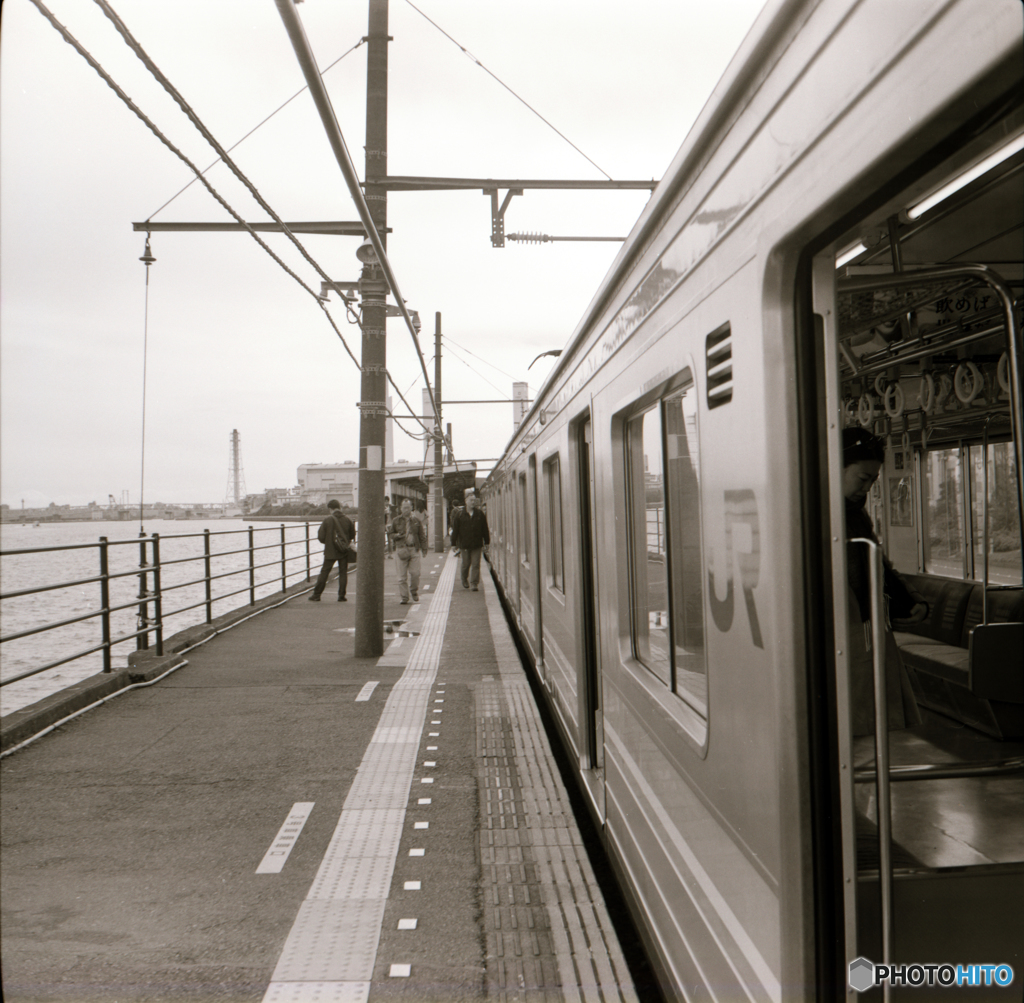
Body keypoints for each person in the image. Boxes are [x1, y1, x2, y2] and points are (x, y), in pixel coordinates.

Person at [842, 427, 926, 736]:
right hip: (847, 631)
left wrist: (911, 601)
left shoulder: (854, 514)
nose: (865, 489)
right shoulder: (818, 514)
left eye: (872, 482)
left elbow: (875, 565)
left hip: (864, 629)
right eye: (862, 479)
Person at [308, 499, 355, 602]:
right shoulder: (348, 519)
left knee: (325, 572)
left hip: (330, 550)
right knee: (343, 572)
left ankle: (316, 595)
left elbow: (320, 537)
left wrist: (329, 542)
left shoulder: (327, 520)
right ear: (339, 507)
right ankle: (341, 596)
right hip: (343, 550)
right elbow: (352, 535)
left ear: (330, 509)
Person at [389, 498, 427, 604]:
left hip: (414, 549)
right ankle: (404, 597)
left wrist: (424, 549)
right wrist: (396, 535)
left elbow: (422, 536)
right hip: (401, 549)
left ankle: (413, 590)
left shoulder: (416, 521)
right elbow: (391, 534)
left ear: (411, 508)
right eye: (404, 507)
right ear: (401, 508)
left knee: (415, 573)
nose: (406, 509)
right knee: (401, 577)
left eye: (408, 507)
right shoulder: (396, 521)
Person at [450, 489, 490, 591]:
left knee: (476, 563)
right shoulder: (459, 515)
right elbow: (455, 531)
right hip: (464, 544)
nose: (473, 502)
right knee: (466, 564)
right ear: (466, 501)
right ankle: (464, 579)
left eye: (474, 500)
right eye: (471, 500)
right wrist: (453, 544)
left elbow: (485, 529)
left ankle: (474, 583)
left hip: (477, 544)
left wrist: (487, 542)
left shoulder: (480, 514)